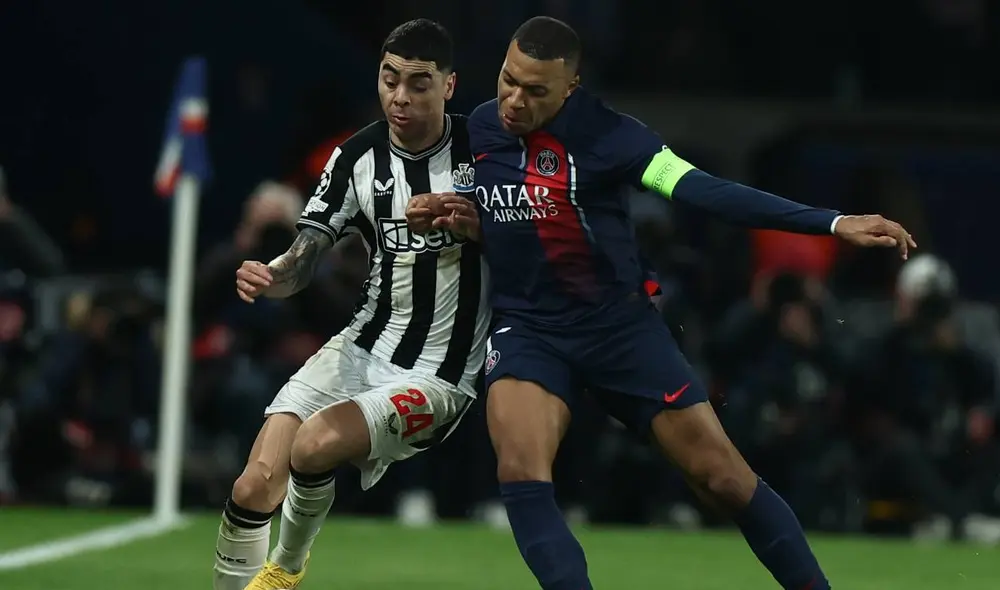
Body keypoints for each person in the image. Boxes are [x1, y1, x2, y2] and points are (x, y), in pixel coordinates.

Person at [409, 16, 916, 590]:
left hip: (620, 331)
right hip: (530, 332)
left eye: (535, 91)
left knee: (722, 479)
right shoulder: (481, 128)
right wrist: (470, 223)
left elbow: (708, 191)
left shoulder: (615, 138)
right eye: (508, 80)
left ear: (570, 88)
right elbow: (514, 218)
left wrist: (831, 221)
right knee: (521, 470)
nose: (514, 100)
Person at [213, 19, 490, 590]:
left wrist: (472, 223)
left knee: (315, 445)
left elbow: (534, 237)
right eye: (390, 80)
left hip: (438, 376)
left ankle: (284, 573)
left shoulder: (486, 152)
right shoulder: (354, 158)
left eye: (419, 83)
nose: (400, 97)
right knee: (253, 486)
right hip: (361, 346)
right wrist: (273, 277)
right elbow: (303, 258)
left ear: (450, 87)